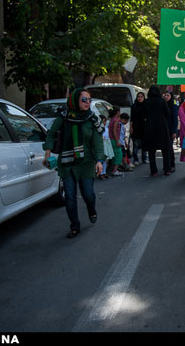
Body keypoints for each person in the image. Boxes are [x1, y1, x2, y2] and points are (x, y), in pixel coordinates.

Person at [43, 88, 104, 238]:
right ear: (75, 100)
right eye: (84, 100)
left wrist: (99, 160)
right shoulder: (63, 118)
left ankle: (91, 209)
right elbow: (50, 134)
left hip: (86, 162)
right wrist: (47, 153)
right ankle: (75, 226)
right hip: (67, 162)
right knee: (70, 196)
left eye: (89, 100)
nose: (88, 103)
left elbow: (97, 142)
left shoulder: (92, 118)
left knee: (88, 195)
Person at [143, 85, 172, 177]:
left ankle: (153, 171)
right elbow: (168, 113)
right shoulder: (162, 101)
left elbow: (143, 114)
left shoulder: (146, 102)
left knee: (151, 151)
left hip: (150, 127)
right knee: (165, 149)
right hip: (162, 126)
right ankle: (167, 169)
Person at [163, 88, 178, 173]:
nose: (166, 97)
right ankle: (167, 165)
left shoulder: (173, 106)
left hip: (170, 130)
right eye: (165, 95)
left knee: (169, 148)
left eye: (168, 95)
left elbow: (174, 120)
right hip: (163, 130)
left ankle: (172, 165)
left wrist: (174, 131)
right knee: (165, 148)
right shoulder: (162, 105)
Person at [130, 91, 148, 164]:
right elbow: (132, 118)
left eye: (141, 97)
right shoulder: (134, 106)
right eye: (138, 97)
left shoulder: (146, 105)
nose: (140, 98)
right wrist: (131, 127)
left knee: (144, 144)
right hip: (136, 127)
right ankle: (135, 159)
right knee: (136, 145)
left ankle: (144, 158)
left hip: (144, 127)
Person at [108, 106, 124, 176]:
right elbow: (114, 131)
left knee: (114, 154)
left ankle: (113, 169)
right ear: (117, 112)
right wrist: (117, 141)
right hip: (114, 139)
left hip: (111, 139)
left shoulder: (112, 119)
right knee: (119, 155)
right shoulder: (116, 120)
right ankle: (115, 170)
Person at [99, 115, 113, 180]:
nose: (104, 123)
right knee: (101, 160)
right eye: (103, 121)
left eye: (105, 121)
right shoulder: (98, 129)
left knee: (105, 160)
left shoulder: (106, 128)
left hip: (106, 145)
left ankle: (104, 172)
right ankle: (100, 173)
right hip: (101, 145)